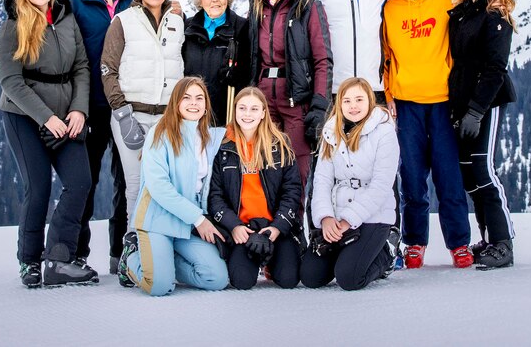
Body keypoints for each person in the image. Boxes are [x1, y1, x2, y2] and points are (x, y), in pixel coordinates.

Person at [0, 0, 96, 287]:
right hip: (24, 117)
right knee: (38, 188)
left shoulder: (66, 18)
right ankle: (29, 261)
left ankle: (59, 257)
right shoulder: (13, 25)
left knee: (80, 183)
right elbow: (11, 82)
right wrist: (46, 117)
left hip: (68, 115)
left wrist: (78, 110)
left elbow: (81, 66)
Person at [381, 0, 473, 269]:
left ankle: (459, 243)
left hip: (443, 101)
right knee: (412, 177)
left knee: (449, 177)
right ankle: (415, 243)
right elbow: (385, 52)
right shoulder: (388, 7)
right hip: (407, 104)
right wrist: (388, 93)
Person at [117, 77, 229, 296]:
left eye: (199, 98)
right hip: (157, 221)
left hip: (185, 227)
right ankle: (131, 259)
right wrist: (199, 219)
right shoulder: (160, 134)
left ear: (206, 105)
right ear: (176, 103)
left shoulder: (209, 137)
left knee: (216, 278)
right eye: (186, 98)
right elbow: (159, 187)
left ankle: (164, 261)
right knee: (159, 286)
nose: (193, 103)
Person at [66, 0, 135, 275]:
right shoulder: (73, 2)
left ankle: (120, 252)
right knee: (85, 181)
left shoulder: (135, 2)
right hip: (88, 106)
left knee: (126, 182)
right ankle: (77, 254)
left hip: (126, 106)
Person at [448, 0, 518, 270]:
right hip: (460, 102)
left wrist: (476, 111)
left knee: (483, 170)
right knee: (468, 176)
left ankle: (503, 242)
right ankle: (487, 239)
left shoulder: (495, 14)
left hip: (486, 102)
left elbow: (495, 68)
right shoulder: (462, 9)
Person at [101, 0, 185, 225]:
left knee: (165, 185)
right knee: (136, 185)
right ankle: (133, 246)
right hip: (132, 114)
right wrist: (122, 113)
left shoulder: (178, 21)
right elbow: (107, 68)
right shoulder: (123, 21)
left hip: (166, 117)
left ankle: (160, 246)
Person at [300, 77, 400, 291]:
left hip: (374, 215)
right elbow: (322, 180)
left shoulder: (384, 132)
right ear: (339, 104)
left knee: (349, 279)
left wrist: (348, 220)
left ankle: (386, 253)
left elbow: (381, 186)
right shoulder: (331, 132)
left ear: (370, 101)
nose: (353, 106)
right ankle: (347, 254)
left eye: (359, 99)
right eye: (347, 101)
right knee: (310, 276)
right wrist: (326, 218)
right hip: (337, 214)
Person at [246, 0, 333, 189]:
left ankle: (294, 227)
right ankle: (268, 226)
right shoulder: (256, 5)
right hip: (263, 99)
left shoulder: (307, 5)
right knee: (264, 168)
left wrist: (320, 106)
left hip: (296, 98)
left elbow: (322, 59)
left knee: (296, 170)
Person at [208, 87, 303, 289]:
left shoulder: (280, 144)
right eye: (242, 108)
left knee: (288, 279)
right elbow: (215, 197)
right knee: (242, 281)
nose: (247, 114)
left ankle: (271, 260)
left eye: (254, 109)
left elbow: (292, 191)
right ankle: (249, 259)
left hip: (274, 227)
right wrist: (234, 226)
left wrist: (278, 227)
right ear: (235, 111)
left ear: (263, 113)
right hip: (243, 229)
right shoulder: (223, 147)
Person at [182, 0, 251, 125]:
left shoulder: (242, 28)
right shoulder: (187, 28)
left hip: (227, 114)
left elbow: (248, 72)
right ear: (199, 0)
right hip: (192, 112)